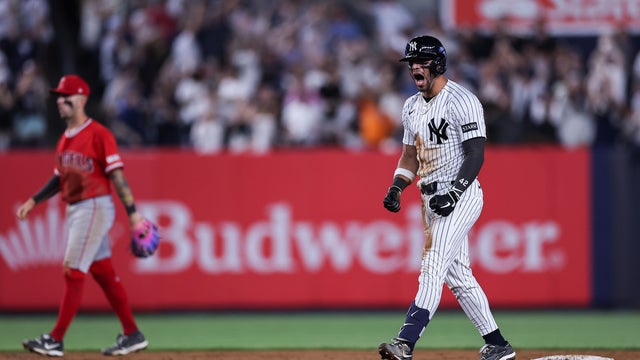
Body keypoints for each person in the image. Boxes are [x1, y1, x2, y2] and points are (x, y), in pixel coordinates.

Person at [378, 36, 516, 360]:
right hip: (430, 198)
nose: (414, 67)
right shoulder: (411, 106)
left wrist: (455, 192)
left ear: (438, 64)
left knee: (432, 264)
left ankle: (405, 342)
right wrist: (397, 186)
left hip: (462, 192)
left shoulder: (462, 100)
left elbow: (476, 153)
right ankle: (498, 344)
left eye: (421, 61)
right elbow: (409, 156)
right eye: (411, 62)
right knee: (459, 278)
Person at [17, 74, 149, 357]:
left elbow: (118, 176)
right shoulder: (64, 140)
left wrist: (134, 214)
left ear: (81, 100)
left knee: (72, 269)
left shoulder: (99, 134)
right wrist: (34, 200)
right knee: (102, 272)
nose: (60, 101)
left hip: (94, 206)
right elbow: (58, 179)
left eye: (66, 96)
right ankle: (132, 334)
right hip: (76, 208)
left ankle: (55, 339)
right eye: (58, 97)